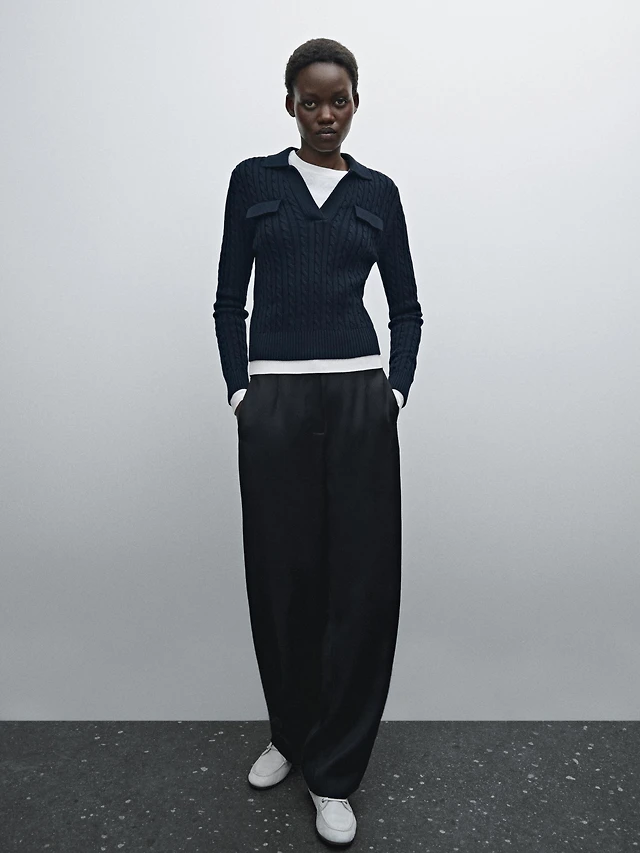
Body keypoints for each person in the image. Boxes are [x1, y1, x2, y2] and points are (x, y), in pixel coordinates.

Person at [212, 37, 423, 846]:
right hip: (276, 401)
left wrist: (393, 392)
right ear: (290, 104)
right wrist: (242, 390)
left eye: (339, 100)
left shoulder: (379, 193)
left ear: (356, 102)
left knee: (361, 585)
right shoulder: (254, 182)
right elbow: (228, 299)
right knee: (282, 577)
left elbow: (406, 307)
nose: (325, 114)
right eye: (311, 100)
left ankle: (335, 772)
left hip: (359, 399)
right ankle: (292, 734)